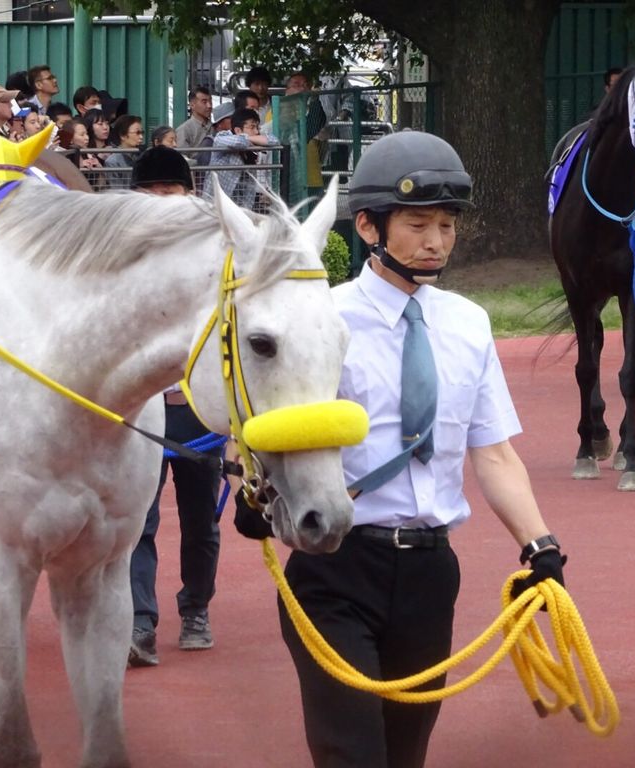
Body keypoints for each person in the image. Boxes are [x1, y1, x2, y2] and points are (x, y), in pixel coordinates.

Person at [246, 130, 566, 768]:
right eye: (417, 225)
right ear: (368, 226)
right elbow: (273, 427)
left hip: (429, 573)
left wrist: (540, 546)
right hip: (334, 567)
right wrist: (256, 489)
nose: (436, 241)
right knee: (353, 751)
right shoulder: (323, 319)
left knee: (405, 753)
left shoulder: (470, 324)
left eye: (446, 226)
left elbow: (494, 454)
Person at [127, 147, 224, 667]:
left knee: (199, 518)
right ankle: (140, 621)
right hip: (141, 407)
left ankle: (196, 609)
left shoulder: (214, 261)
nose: (161, 202)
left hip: (196, 409)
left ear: (190, 195)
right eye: (150, 193)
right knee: (137, 520)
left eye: (171, 191)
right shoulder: (122, 263)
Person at [202, 107, 278, 208]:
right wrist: (252, 141)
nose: (256, 132)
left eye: (257, 127)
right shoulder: (223, 136)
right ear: (237, 130)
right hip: (214, 204)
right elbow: (238, 142)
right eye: (252, 127)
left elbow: (274, 141)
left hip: (237, 206)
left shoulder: (251, 150)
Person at [104, 113, 144, 189]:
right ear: (122, 135)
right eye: (137, 133)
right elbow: (116, 190)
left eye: (142, 133)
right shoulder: (112, 161)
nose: (141, 136)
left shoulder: (142, 156)